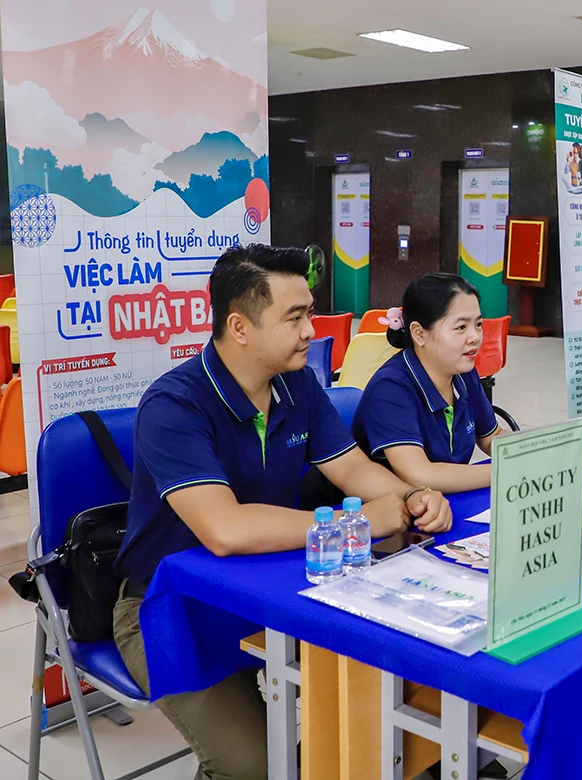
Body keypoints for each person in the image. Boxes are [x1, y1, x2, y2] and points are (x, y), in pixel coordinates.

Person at [112, 244, 453, 780]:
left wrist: (410, 497)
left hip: (276, 586)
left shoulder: (298, 385)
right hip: (170, 606)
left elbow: (355, 472)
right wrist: (360, 521)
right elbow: (224, 529)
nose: (311, 331)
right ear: (240, 327)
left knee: (399, 702)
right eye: (294, 317)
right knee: (254, 765)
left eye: (310, 313)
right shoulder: (174, 406)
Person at [353, 274, 499, 493]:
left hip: (445, 503)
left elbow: (491, 438)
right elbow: (419, 475)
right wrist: (506, 470)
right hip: (386, 514)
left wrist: (538, 452)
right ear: (419, 334)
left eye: (478, 324)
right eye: (461, 327)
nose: (475, 337)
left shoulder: (463, 373)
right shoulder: (391, 388)